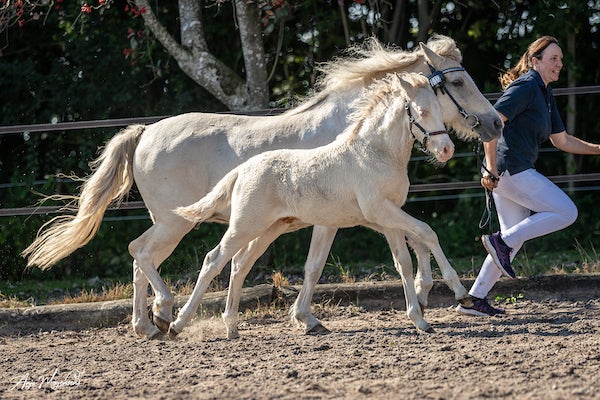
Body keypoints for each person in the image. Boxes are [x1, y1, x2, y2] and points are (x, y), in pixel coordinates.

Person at [457, 35, 600, 317]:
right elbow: (492, 124)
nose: (559, 64)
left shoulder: (544, 93)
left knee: (513, 238)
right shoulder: (525, 87)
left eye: (560, 59)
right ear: (535, 61)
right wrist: (490, 167)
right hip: (510, 169)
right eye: (553, 59)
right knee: (566, 211)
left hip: (511, 169)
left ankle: (474, 299)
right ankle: (499, 243)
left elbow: (563, 141)